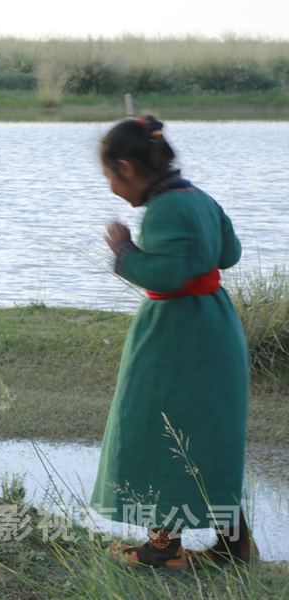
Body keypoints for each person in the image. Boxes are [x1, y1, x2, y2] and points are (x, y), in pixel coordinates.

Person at [91, 116, 257, 568]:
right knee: (208, 437)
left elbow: (166, 276)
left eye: (109, 176)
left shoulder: (163, 210)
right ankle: (235, 544)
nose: (110, 187)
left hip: (176, 334)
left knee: (158, 430)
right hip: (216, 324)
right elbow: (230, 254)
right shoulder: (199, 198)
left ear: (128, 168)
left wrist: (124, 251)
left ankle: (162, 549)